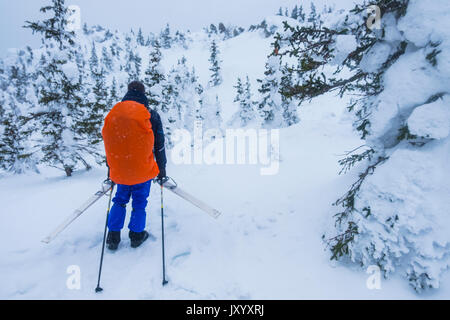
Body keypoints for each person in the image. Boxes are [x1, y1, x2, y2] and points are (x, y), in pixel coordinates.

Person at [102, 81, 167, 251]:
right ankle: (136, 236)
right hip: (143, 169)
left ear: (128, 92)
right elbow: (159, 145)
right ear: (144, 94)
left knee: (119, 200)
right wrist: (162, 170)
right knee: (139, 202)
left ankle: (113, 236)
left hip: (120, 170)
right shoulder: (150, 114)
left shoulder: (115, 114)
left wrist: (111, 170)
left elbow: (111, 145)